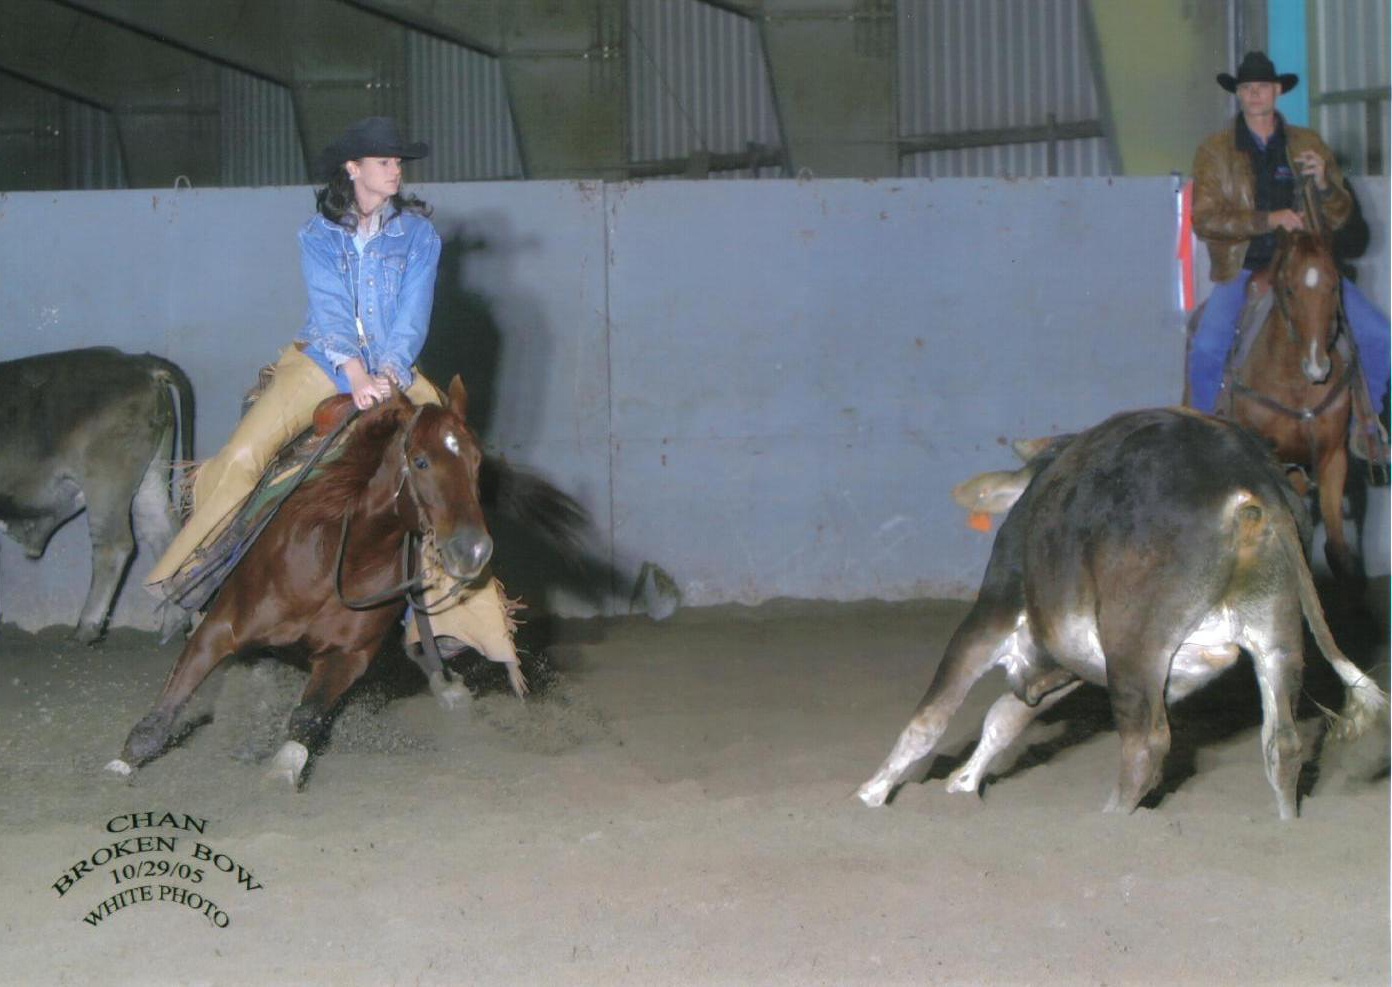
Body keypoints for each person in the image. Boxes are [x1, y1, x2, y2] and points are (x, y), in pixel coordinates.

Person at [147, 116, 523, 679]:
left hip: (394, 368)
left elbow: (412, 316)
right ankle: (194, 572)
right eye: (384, 161)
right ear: (353, 169)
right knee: (243, 456)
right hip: (323, 362)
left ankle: (458, 622)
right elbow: (329, 311)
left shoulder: (419, 236)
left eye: (398, 162)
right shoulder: (317, 235)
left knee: (448, 457)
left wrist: (389, 374)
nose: (395, 170)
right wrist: (353, 373)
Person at [1188, 50, 1390, 417]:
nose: (1254, 94)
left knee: (1380, 336)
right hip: (1245, 267)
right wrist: (1268, 220)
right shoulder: (1215, 152)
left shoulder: (1308, 144)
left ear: (1277, 91)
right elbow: (1205, 219)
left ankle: (1367, 426)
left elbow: (1341, 217)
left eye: (1262, 86)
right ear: (1238, 94)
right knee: (1207, 348)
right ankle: (1204, 432)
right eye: (1247, 88)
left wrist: (1325, 184)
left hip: (1306, 264)